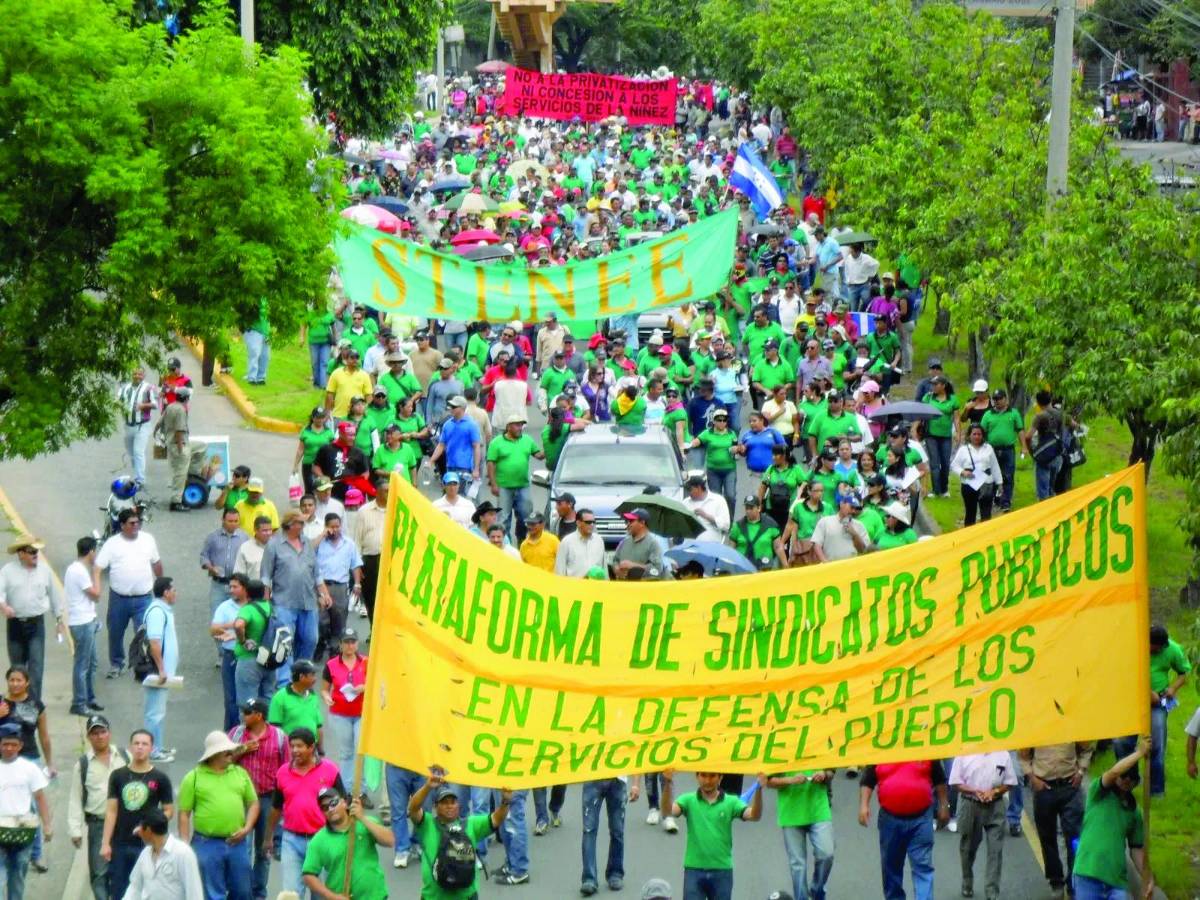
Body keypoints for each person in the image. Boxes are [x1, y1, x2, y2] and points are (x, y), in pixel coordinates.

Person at [178, 731, 260, 900]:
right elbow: (184, 814)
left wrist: (247, 828)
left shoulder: (239, 773)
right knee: (212, 893)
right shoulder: (193, 778)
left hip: (237, 843)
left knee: (243, 891)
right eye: (226, 751)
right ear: (214, 754)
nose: (232, 754)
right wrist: (185, 846)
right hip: (206, 843)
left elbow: (253, 803)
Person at [659, 770, 765, 900]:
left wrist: (759, 790)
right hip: (694, 869)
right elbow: (667, 812)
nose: (707, 781)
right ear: (697, 777)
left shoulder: (731, 801)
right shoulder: (688, 800)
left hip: (722, 870)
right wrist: (667, 783)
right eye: (703, 775)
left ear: (720, 777)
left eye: (712, 776)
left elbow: (754, 815)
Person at [1112, 624, 1191, 798]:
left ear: (1163, 646)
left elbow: (1184, 673)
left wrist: (1172, 688)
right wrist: (1147, 692)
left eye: (1156, 649)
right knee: (1120, 742)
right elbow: (1123, 672)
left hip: (1158, 704)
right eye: (1150, 647)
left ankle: (1156, 791)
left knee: (1156, 745)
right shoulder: (1135, 647)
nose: (1152, 651)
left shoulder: (1173, 650)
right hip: (1133, 702)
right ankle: (1130, 778)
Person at [264, 728, 343, 897]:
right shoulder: (283, 772)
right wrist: (268, 837)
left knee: (320, 894)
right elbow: (276, 808)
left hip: (323, 840)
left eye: (299, 746)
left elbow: (343, 804)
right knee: (291, 894)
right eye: (292, 746)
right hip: (291, 841)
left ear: (312, 747)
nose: (294, 750)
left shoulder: (330, 770)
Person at [409, 771, 514, 894]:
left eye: (453, 802)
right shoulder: (427, 824)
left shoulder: (471, 824)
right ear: (436, 807)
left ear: (458, 806)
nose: (449, 806)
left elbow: (496, 819)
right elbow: (413, 808)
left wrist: (505, 802)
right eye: (444, 802)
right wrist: (427, 787)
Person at [857, 760, 950, 900]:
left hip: (921, 819)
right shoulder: (882, 746)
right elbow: (868, 779)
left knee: (923, 868)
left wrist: (944, 805)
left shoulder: (924, 744)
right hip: (890, 820)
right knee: (891, 870)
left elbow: (939, 777)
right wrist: (864, 805)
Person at [1071, 737, 1151, 900]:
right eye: (1124, 776)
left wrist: (1147, 877)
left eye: (1131, 777)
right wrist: (1139, 753)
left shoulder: (1134, 812)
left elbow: (1136, 849)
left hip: (1117, 882)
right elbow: (1113, 772)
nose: (1127, 780)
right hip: (1088, 875)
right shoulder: (1098, 793)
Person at [102, 729, 174, 900]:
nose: (140, 747)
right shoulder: (117, 776)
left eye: (145, 744)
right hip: (121, 843)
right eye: (136, 743)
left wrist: (154, 823)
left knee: (148, 890)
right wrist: (105, 843)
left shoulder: (160, 778)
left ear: (151, 748)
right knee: (119, 890)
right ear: (130, 747)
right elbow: (112, 810)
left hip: (148, 844)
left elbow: (169, 810)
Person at [229, 698, 289, 900]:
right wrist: (242, 749)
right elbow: (223, 761)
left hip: (267, 798)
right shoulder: (236, 734)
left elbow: (286, 767)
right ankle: (242, 891)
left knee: (264, 849)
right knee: (241, 848)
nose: (243, 716)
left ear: (259, 716)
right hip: (240, 798)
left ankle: (259, 893)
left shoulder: (279, 737)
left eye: (247, 712)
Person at [95, 508, 162, 679]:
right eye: (132, 523)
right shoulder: (112, 544)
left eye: (138, 523)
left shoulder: (148, 540)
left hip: (144, 598)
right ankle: (117, 664)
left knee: (144, 633)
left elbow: (156, 562)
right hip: (119, 599)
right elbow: (98, 566)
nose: (136, 526)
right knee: (115, 632)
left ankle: (142, 665)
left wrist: (162, 583)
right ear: (122, 525)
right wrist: (96, 586)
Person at [1019, 741, 1092, 898]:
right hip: (1044, 787)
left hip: (1070, 786)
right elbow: (1023, 757)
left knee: (1075, 837)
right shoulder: (1036, 724)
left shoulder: (1072, 723)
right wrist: (1033, 779)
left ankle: (1074, 881)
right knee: (1047, 837)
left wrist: (1080, 772)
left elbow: (1086, 749)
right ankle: (1056, 880)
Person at [261, 512, 328, 681]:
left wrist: (324, 593)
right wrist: (266, 601)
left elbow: (316, 573)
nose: (302, 526)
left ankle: (300, 671)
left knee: (311, 639)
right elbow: (265, 576)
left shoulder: (307, 543)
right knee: (285, 642)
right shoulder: (274, 544)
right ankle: (285, 681)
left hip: (308, 601)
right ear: (290, 524)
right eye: (300, 523)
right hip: (284, 602)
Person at [68, 714, 128, 900]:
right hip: (98, 825)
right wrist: (75, 830)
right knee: (99, 873)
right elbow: (75, 797)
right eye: (95, 733)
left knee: (124, 870)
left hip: (124, 824)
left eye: (103, 732)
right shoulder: (83, 764)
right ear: (88, 737)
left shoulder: (125, 756)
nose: (99, 736)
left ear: (109, 733)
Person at [0, 533, 65, 699]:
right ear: (21, 553)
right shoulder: (8, 571)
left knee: (36, 669)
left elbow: (54, 595)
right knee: (17, 670)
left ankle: (34, 706)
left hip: (36, 625)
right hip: (15, 625)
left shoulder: (44, 571)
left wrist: (59, 620)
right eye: (31, 551)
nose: (35, 554)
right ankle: (18, 705)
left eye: (36, 551)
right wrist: (4, 606)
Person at [949, 752, 1019, 900]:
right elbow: (956, 782)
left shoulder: (1003, 753)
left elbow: (1009, 782)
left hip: (995, 804)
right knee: (968, 848)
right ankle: (967, 881)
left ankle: (992, 892)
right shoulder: (964, 752)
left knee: (995, 850)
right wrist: (974, 791)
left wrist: (995, 791)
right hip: (970, 803)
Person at [301, 787, 393, 900]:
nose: (330, 809)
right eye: (324, 807)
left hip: (375, 896)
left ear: (344, 803)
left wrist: (362, 818)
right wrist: (332, 896)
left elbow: (390, 841)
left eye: (333, 803)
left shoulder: (365, 823)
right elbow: (308, 875)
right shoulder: (319, 840)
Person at [766, 768, 835, 900]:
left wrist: (824, 775)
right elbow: (768, 781)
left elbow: (832, 769)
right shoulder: (780, 748)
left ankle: (816, 893)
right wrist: (791, 780)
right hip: (791, 812)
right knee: (798, 865)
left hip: (818, 808)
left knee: (826, 854)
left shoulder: (819, 746)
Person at [0, 722, 51, 900]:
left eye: (13, 744)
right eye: (5, 744)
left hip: (23, 832)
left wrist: (47, 826)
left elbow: (40, 798)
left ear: (20, 746)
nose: (9, 748)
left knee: (17, 877)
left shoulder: (29, 768)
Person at [200, 508, 249, 668]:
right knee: (218, 618)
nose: (233, 524)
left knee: (240, 618)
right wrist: (210, 567)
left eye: (236, 521)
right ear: (223, 520)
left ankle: (238, 648)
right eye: (230, 521)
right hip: (219, 584)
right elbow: (204, 555)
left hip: (239, 585)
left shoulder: (244, 538)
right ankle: (222, 653)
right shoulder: (213, 538)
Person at [122, 806, 204, 900]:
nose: (138, 831)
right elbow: (135, 887)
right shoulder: (145, 854)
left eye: (141, 827)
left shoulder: (183, 853)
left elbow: (194, 893)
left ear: (148, 830)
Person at [486, 413, 545, 543]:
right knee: (503, 518)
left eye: (521, 425)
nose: (520, 428)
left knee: (525, 517)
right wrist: (493, 483)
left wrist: (549, 444)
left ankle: (522, 542)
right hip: (504, 487)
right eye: (517, 425)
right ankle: (504, 546)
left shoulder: (527, 440)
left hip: (523, 485)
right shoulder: (496, 443)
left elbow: (539, 455)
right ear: (508, 427)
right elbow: (491, 463)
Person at [579, 774, 641, 896]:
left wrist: (635, 784)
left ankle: (615, 873)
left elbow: (635, 755)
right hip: (592, 776)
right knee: (589, 830)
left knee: (617, 831)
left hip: (618, 780)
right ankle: (589, 878)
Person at [313, 514, 363, 662]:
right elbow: (307, 552)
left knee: (339, 621)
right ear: (326, 527)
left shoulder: (349, 544)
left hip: (340, 586)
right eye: (332, 526)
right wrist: (322, 535)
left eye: (337, 526)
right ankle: (321, 643)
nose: (335, 529)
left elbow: (355, 565)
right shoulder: (320, 542)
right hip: (322, 586)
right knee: (321, 621)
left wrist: (357, 583)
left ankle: (335, 651)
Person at [320, 629, 366, 791]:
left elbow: (377, 685)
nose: (349, 645)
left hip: (362, 714)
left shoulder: (366, 662)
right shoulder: (331, 665)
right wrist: (326, 697)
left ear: (357, 644)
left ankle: (361, 791)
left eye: (353, 641)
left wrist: (363, 688)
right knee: (346, 752)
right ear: (340, 644)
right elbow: (324, 688)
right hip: (340, 714)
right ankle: (347, 789)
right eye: (346, 642)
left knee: (360, 751)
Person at [63, 536, 103, 716]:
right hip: (82, 623)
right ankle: (79, 702)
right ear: (91, 551)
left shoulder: (76, 569)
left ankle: (89, 697)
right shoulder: (79, 571)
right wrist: (96, 574)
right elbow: (96, 595)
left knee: (92, 662)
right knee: (82, 664)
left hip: (87, 621)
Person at [142, 576, 179, 764]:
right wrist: (161, 669)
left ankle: (158, 745)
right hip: (158, 672)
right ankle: (153, 750)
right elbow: (154, 642)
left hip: (162, 672)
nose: (176, 593)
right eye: (173, 590)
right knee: (154, 713)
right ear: (165, 592)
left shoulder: (163, 610)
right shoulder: (157, 611)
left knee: (159, 712)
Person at [161, 385, 206, 512]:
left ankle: (192, 472)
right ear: (186, 398)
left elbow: (161, 420)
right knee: (180, 475)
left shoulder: (170, 406)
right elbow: (179, 430)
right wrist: (181, 449)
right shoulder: (181, 410)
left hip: (178, 443)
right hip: (179, 445)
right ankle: (176, 502)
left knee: (201, 446)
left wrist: (155, 431)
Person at [950, 424, 1003, 526]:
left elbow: (994, 466)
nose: (977, 437)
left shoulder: (988, 448)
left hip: (987, 484)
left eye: (979, 434)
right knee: (970, 513)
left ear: (983, 435)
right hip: (969, 484)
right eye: (974, 434)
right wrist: (963, 472)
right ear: (969, 435)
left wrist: (999, 483)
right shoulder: (963, 449)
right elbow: (954, 465)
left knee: (986, 514)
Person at [689, 408, 740, 516]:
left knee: (730, 496)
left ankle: (729, 520)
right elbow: (697, 441)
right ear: (714, 421)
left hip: (729, 469)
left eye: (724, 420)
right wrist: (691, 444)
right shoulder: (708, 433)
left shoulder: (732, 434)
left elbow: (736, 449)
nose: (722, 423)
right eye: (719, 420)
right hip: (713, 471)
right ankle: (716, 519)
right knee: (716, 497)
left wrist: (737, 449)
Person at [979, 390, 1024, 512]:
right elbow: (981, 432)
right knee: (992, 475)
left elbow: (1020, 430)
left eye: (999, 398)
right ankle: (994, 498)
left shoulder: (1013, 413)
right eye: (995, 399)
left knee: (1008, 475)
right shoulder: (988, 414)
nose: (997, 401)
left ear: (1005, 399)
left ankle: (1006, 502)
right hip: (992, 450)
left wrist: (1024, 447)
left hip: (1008, 449)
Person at [429, 395, 483, 492]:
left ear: (462, 408)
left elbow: (476, 447)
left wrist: (476, 469)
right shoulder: (447, 424)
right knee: (448, 494)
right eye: (450, 406)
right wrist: (431, 461)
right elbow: (441, 445)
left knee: (461, 496)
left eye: (454, 407)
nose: (451, 409)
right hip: (450, 466)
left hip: (465, 467)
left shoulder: (471, 425)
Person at [269, 660, 324, 754]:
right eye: (312, 675)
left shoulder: (313, 696)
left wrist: (320, 748)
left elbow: (318, 726)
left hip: (311, 749)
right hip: (291, 750)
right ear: (301, 677)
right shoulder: (280, 697)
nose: (315, 679)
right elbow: (275, 729)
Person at [118, 367, 157, 487]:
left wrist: (143, 405)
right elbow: (118, 400)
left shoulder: (148, 388)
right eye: (135, 374)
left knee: (138, 452)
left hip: (142, 425)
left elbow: (155, 404)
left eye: (139, 374)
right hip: (128, 425)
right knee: (131, 453)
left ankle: (140, 479)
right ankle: (137, 474)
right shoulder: (125, 388)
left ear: (143, 376)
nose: (137, 376)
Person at [921, 375, 958, 498]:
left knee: (945, 463)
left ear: (943, 385)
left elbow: (956, 418)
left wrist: (958, 432)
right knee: (934, 463)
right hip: (931, 434)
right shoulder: (928, 397)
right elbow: (921, 414)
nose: (933, 387)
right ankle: (936, 490)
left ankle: (944, 488)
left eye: (936, 384)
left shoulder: (952, 399)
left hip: (946, 435)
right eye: (932, 384)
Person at [730, 495, 788, 571]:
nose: (748, 511)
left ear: (759, 508)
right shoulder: (737, 526)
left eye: (751, 508)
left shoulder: (771, 525)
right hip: (743, 569)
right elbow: (731, 549)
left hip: (765, 567)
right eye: (746, 508)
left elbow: (778, 547)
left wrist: (786, 566)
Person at [613, 509, 672, 581]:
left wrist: (633, 566)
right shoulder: (624, 542)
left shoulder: (653, 544)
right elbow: (615, 560)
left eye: (631, 521)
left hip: (643, 589)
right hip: (623, 589)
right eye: (627, 521)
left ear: (642, 522)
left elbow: (657, 570)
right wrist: (616, 569)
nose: (628, 524)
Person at [810, 494, 869, 562]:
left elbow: (863, 550)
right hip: (831, 566)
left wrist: (855, 534)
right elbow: (817, 544)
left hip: (852, 567)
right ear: (841, 504)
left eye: (855, 509)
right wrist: (824, 561)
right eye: (851, 507)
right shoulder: (825, 521)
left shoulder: (859, 525)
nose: (853, 511)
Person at [555, 508, 606, 577]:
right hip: (575, 586)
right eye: (588, 522)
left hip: (595, 586)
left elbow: (604, 567)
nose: (592, 525)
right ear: (578, 523)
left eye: (594, 522)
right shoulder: (567, 541)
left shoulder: (599, 540)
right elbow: (560, 570)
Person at [682, 475, 731, 543]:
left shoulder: (718, 500)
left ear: (699, 488)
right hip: (690, 546)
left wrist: (706, 516)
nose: (688, 492)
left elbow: (726, 525)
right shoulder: (685, 502)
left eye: (690, 489)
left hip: (710, 547)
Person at [234, 517, 272, 582]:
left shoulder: (278, 547)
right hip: (253, 590)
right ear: (255, 530)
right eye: (265, 530)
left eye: (270, 530)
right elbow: (238, 575)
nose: (268, 533)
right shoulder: (245, 548)